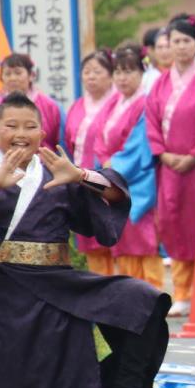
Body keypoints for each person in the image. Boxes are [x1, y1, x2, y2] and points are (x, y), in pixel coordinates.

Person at [0, 92, 174, 388]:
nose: (21, 133)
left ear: (42, 133)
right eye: (12, 126)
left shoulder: (58, 175)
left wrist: (80, 176)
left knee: (142, 300)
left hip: (62, 280)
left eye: (30, 126)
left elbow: (114, 199)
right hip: (16, 286)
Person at [144, 13, 195, 316]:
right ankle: (182, 291)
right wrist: (163, 153)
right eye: (173, 41)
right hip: (169, 166)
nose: (179, 47)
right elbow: (150, 121)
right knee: (173, 224)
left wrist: (194, 153)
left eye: (185, 41)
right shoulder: (161, 82)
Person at [97, 42, 162, 289]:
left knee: (143, 237)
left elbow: (141, 143)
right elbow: (99, 138)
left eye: (129, 71)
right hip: (113, 176)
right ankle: (129, 289)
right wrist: (105, 162)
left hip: (139, 179)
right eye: (118, 72)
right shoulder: (113, 103)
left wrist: (114, 164)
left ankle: (151, 289)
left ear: (142, 73)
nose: (123, 78)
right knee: (123, 237)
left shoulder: (146, 103)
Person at [65, 49, 117, 275]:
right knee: (90, 237)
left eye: (97, 71)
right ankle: (99, 285)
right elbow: (67, 140)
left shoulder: (118, 103)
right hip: (81, 180)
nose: (91, 77)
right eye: (86, 72)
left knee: (113, 235)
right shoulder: (77, 105)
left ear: (110, 75)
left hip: (108, 181)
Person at [0, 52, 64, 167]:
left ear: (31, 75)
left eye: (18, 73)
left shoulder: (51, 107)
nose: (13, 78)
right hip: (4, 172)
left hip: (46, 173)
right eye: (8, 74)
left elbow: (63, 143)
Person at [141, 27, 171, 94]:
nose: (164, 51)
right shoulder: (147, 76)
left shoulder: (183, 72)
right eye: (160, 47)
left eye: (168, 47)